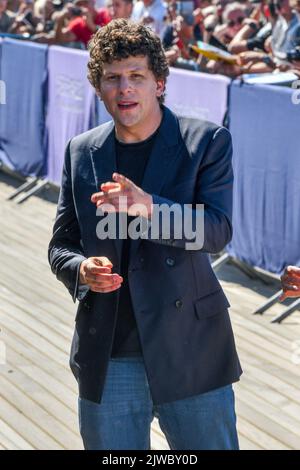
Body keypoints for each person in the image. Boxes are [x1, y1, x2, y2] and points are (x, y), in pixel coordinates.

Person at [48, 18, 242, 450]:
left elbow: (217, 231)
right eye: (113, 79)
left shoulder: (207, 142)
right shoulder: (81, 151)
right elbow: (61, 245)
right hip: (110, 352)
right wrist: (82, 269)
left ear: (160, 82)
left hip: (191, 350)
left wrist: (150, 207)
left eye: (137, 76)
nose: (125, 89)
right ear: (98, 88)